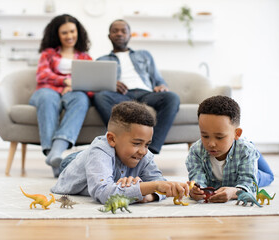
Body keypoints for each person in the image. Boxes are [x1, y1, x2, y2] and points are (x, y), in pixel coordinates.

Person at [51, 101, 189, 204]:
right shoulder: (99, 151)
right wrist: (152, 187)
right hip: (74, 162)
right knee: (75, 161)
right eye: (136, 143)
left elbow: (160, 182)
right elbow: (104, 194)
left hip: (102, 163)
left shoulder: (144, 154)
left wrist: (149, 195)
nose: (143, 151)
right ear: (111, 139)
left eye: (147, 144)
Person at [93, 19, 180, 154]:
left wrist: (161, 85)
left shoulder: (144, 54)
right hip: (121, 96)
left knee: (172, 97)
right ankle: (121, 141)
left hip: (146, 94)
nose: (119, 34)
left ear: (130, 35)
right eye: (115, 31)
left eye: (123, 31)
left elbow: (157, 77)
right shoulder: (101, 60)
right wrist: (111, 85)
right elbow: (98, 85)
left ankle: (151, 149)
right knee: (100, 96)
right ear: (109, 36)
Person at [29, 14, 92, 177]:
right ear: (57, 34)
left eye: (72, 31)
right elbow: (42, 75)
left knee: (81, 98)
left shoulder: (85, 58)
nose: (69, 36)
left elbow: (91, 85)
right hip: (46, 91)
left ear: (78, 32)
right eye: (64, 33)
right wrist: (66, 82)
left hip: (73, 93)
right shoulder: (48, 54)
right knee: (47, 98)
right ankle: (55, 156)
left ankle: (55, 153)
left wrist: (75, 86)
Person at [185, 95, 274, 203]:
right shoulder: (196, 151)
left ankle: (253, 152)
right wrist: (195, 191)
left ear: (237, 133)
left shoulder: (246, 151)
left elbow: (249, 185)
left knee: (267, 176)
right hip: (238, 150)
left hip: (243, 154)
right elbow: (197, 179)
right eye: (205, 136)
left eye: (219, 137)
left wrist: (233, 193)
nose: (211, 144)